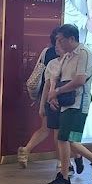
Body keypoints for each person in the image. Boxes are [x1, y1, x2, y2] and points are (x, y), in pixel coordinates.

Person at [45, 24, 92, 184]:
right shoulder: (66, 56)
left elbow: (79, 80)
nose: (58, 43)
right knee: (67, 139)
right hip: (66, 102)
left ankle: (65, 176)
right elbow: (56, 76)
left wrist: (57, 91)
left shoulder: (84, 54)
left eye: (60, 39)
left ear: (71, 38)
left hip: (78, 102)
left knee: (65, 138)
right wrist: (53, 94)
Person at [18, 28, 64, 167]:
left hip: (44, 95)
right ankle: (61, 161)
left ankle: (26, 150)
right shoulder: (65, 56)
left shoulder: (46, 52)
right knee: (58, 131)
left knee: (44, 129)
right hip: (57, 96)